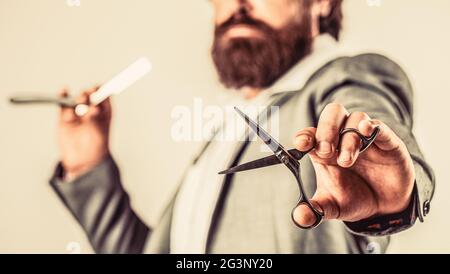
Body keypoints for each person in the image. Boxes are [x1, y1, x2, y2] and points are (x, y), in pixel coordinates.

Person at [50, 0, 435, 254]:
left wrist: (394, 196)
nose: (239, 4)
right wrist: (89, 167)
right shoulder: (227, 133)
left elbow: (374, 123)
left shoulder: (344, 79)